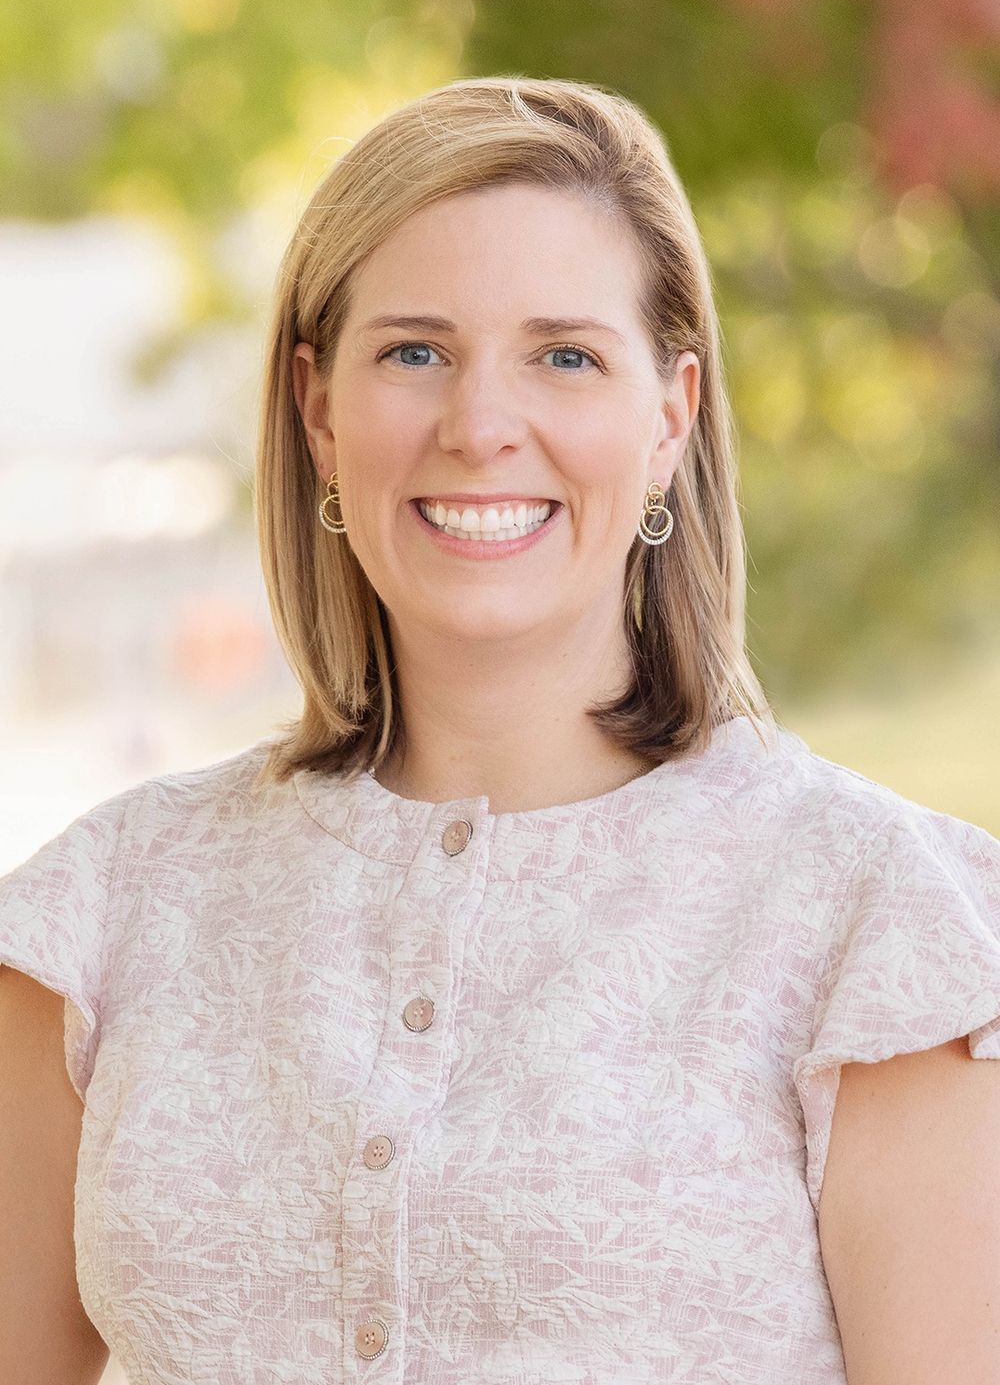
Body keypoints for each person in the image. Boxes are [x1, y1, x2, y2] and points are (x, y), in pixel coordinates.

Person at [2, 75, 999, 1385]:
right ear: (317, 410)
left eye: (564, 356)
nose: (479, 428)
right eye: (414, 351)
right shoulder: (99, 919)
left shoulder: (882, 928)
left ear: (669, 417)